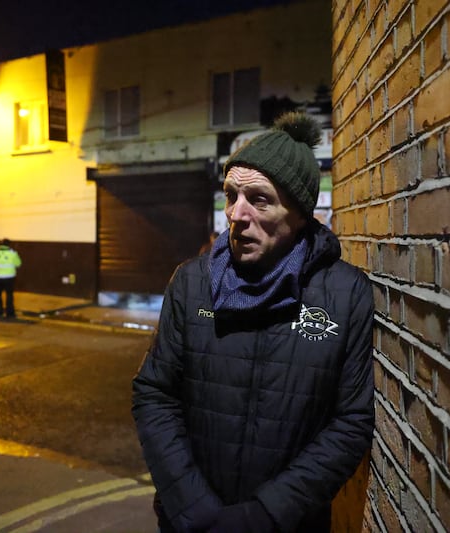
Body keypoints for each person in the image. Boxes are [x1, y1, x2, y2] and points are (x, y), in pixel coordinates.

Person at [132, 112, 375, 533]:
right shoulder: (192, 282)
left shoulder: (345, 293)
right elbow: (155, 393)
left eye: (259, 199)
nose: (235, 214)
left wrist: (266, 514)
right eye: (231, 195)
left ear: (300, 211)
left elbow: (351, 421)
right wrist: (192, 507)